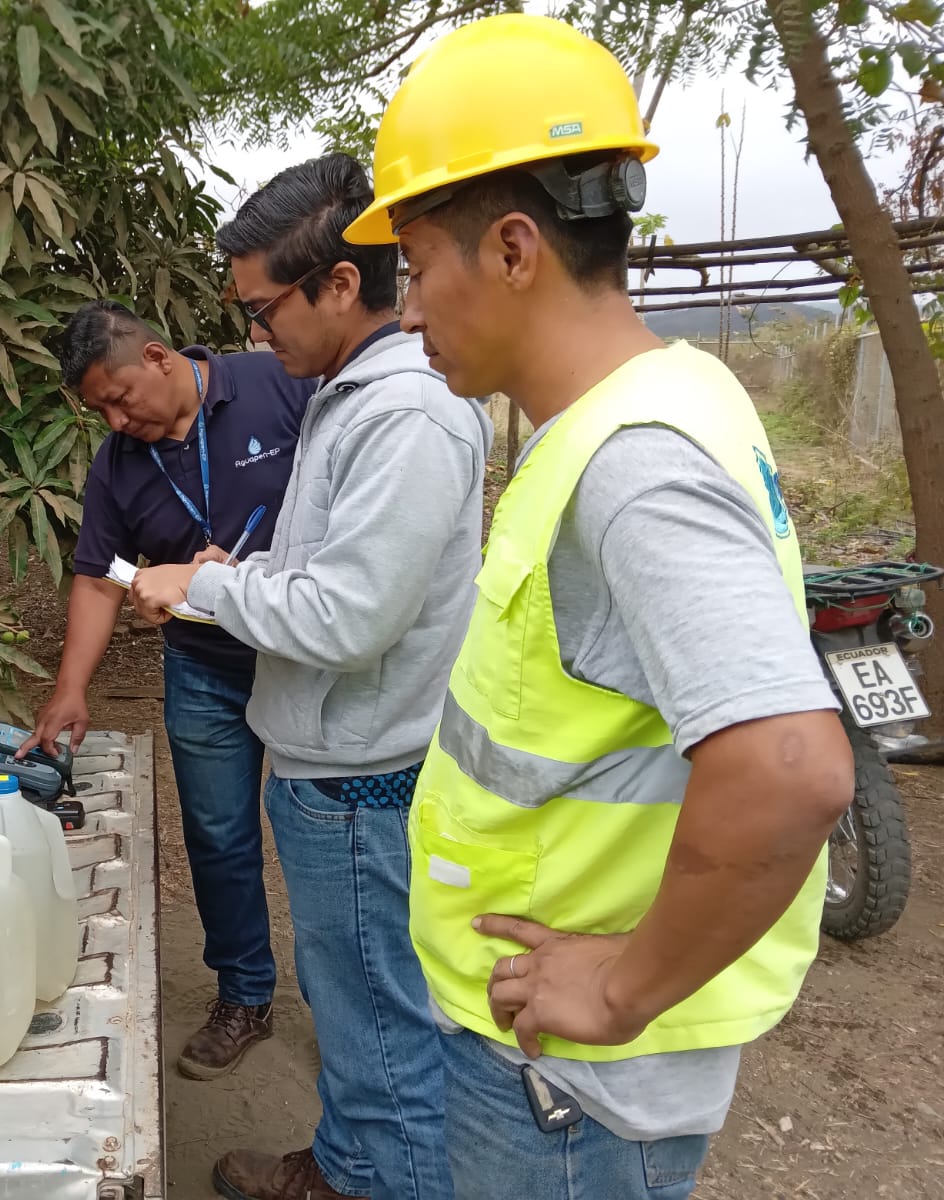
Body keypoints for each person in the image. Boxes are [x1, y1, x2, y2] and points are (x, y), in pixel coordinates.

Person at [343, 14, 855, 1199]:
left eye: (414, 268)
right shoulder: (663, 398)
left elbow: (789, 768)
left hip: (568, 1091)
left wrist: (620, 988)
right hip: (558, 1068)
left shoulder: (632, 462)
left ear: (512, 249)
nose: (407, 313)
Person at [133, 153, 490, 1200]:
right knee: (352, 1001)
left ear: (338, 284)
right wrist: (243, 577)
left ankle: (383, 1179)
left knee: (379, 1017)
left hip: (363, 776)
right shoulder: (346, 396)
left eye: (262, 310)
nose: (256, 336)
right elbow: (336, 575)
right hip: (335, 760)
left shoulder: (404, 415)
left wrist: (201, 588)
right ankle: (347, 1162)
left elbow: (350, 617)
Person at [20, 300, 313, 1081]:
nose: (117, 420)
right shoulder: (117, 464)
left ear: (156, 357)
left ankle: (351, 1002)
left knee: (324, 831)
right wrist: (71, 688)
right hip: (204, 667)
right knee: (219, 836)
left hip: (307, 659)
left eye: (120, 397)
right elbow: (99, 575)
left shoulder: (279, 384)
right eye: (100, 411)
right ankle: (244, 995)